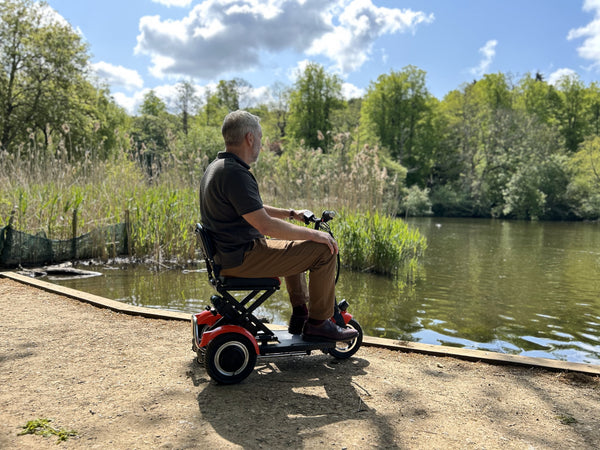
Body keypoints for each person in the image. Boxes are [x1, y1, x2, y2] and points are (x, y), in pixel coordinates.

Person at [199, 110, 358, 342]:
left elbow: (255, 209)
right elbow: (265, 225)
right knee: (325, 250)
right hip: (242, 258)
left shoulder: (218, 167)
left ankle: (302, 313)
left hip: (230, 255)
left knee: (294, 243)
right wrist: (316, 235)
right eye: (260, 139)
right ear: (250, 138)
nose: (261, 145)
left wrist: (292, 214)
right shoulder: (235, 173)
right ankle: (319, 323)